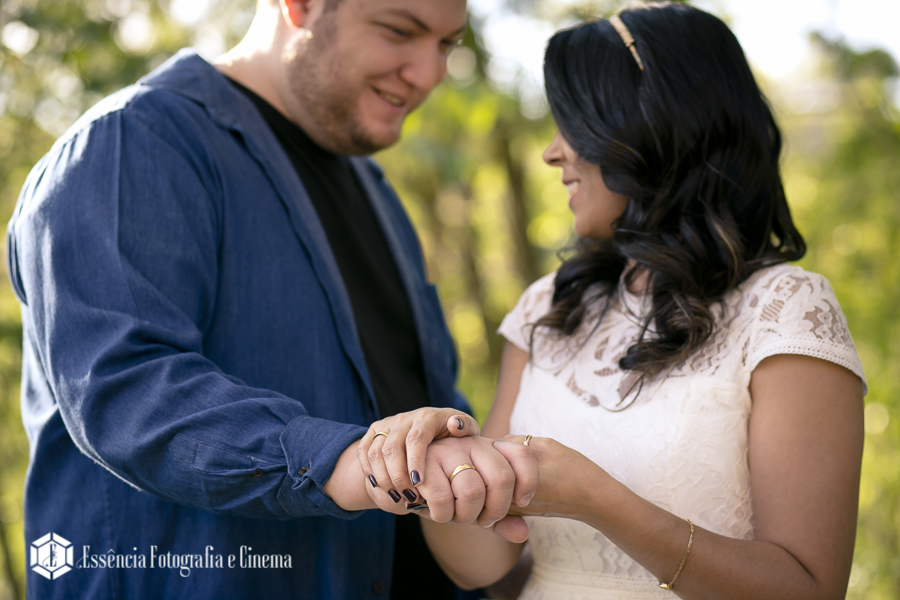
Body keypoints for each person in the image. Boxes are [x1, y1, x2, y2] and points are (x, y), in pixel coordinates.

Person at [7, 0, 536, 598]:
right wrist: (349, 462)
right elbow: (126, 391)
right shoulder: (132, 143)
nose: (429, 73)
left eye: (446, 44)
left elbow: (422, 402)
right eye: (399, 31)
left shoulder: (378, 195)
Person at [359, 3, 866, 599]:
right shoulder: (548, 307)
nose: (552, 153)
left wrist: (597, 500)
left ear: (648, 126)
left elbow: (809, 589)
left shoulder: (787, 309)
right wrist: (435, 471)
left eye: (571, 125)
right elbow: (487, 566)